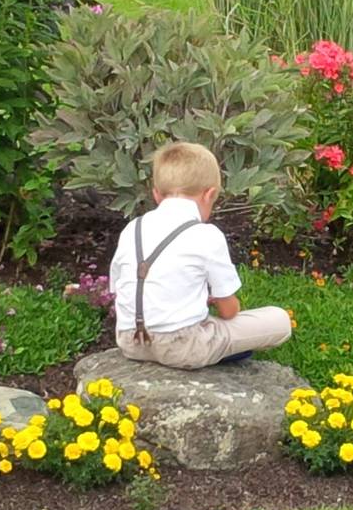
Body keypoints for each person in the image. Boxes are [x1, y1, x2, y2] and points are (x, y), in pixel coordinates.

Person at [109, 141, 292, 369]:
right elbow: (229, 311)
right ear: (210, 194)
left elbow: (118, 289)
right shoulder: (206, 235)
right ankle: (225, 353)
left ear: (156, 194)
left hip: (130, 342)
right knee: (279, 320)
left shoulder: (132, 228)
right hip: (183, 347)